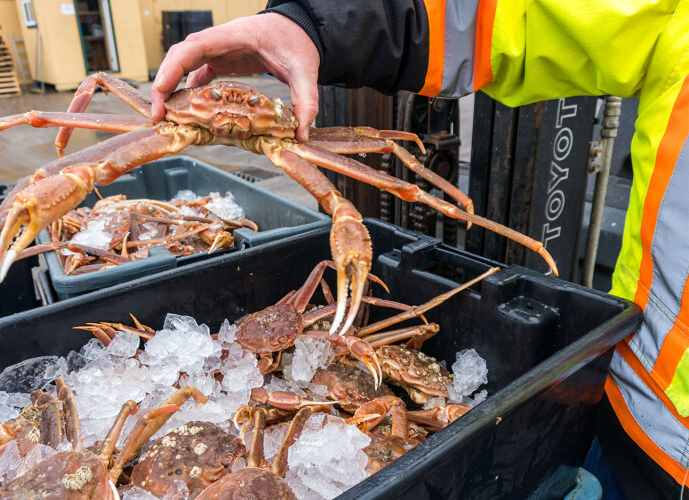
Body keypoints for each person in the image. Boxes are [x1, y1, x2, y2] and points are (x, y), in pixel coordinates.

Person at [151, 2, 688, 497]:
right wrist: (311, 23)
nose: (234, 117)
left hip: (635, 401)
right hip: (646, 409)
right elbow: (506, 15)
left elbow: (398, 169)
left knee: (363, 207)